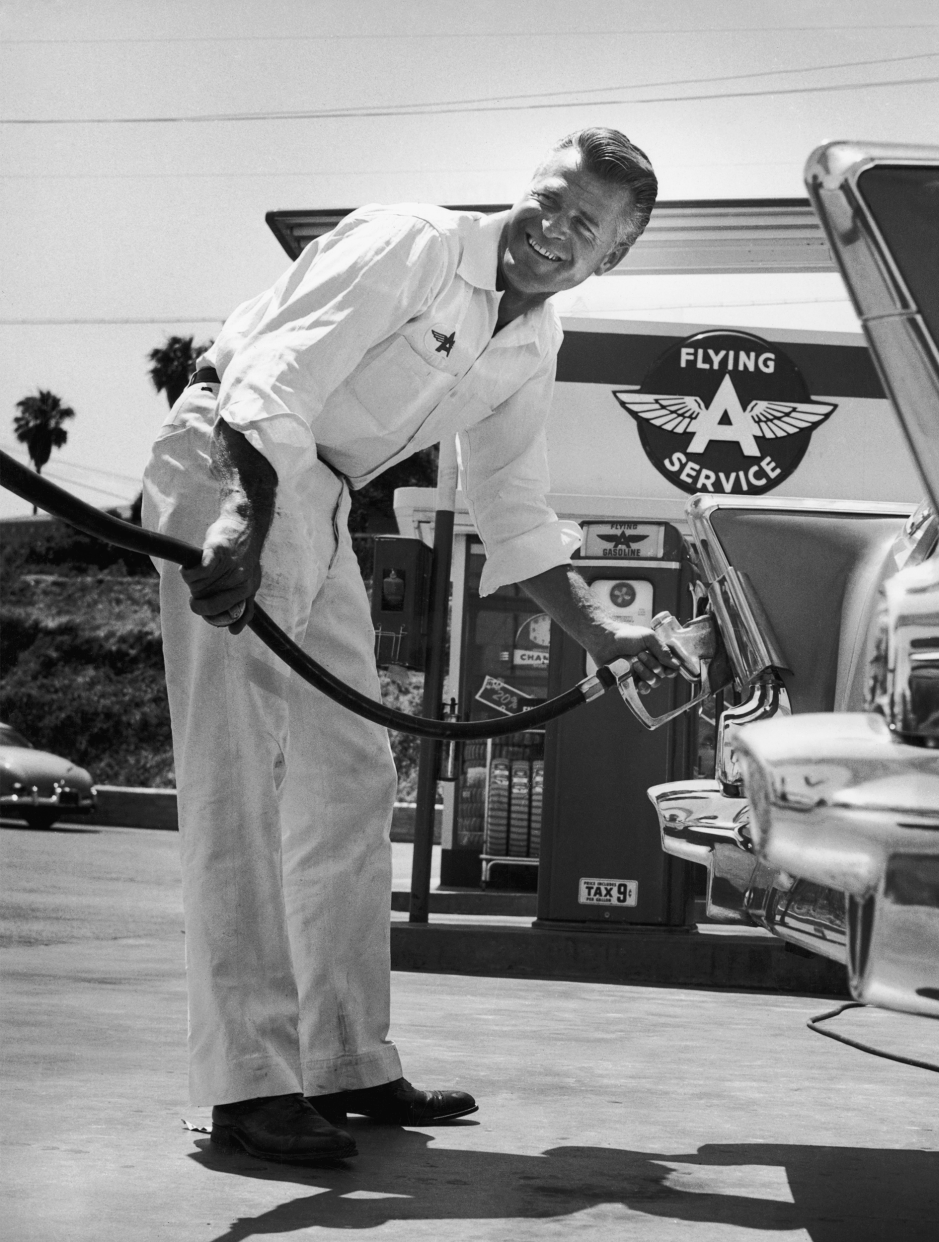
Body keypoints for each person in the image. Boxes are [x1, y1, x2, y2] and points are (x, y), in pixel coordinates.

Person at [141, 128, 676, 1164]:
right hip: (232, 461)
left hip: (322, 497)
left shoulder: (533, 339)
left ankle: (342, 1061)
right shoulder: (415, 244)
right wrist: (244, 523)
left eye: (585, 228)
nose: (551, 233)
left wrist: (604, 630)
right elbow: (274, 379)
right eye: (548, 201)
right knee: (239, 775)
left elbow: (512, 509)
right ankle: (247, 1087)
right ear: (524, 190)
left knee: (350, 774)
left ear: (610, 257)